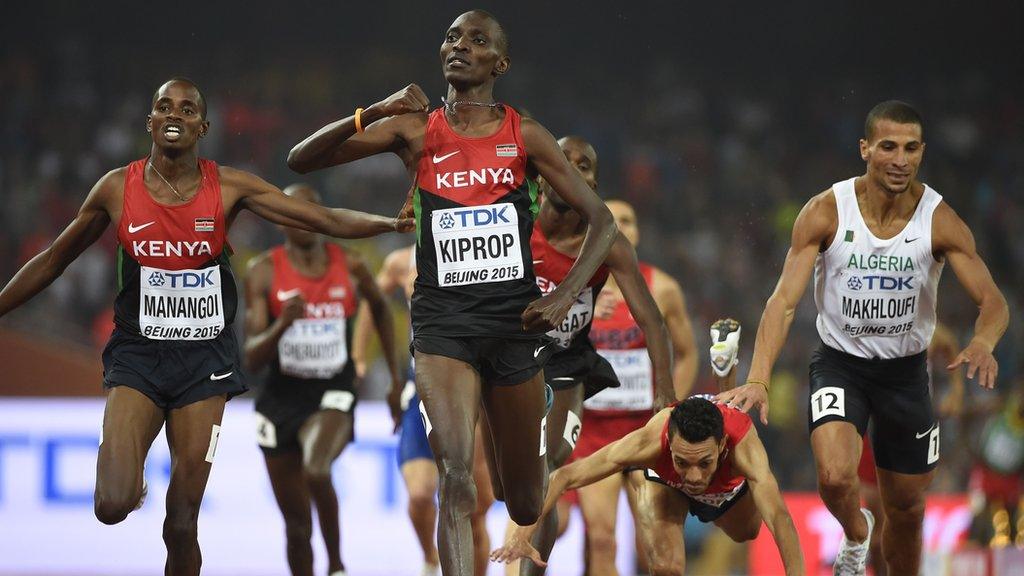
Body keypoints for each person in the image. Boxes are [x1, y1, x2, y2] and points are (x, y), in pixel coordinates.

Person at [0, 78, 408, 576]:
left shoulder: (229, 186)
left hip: (204, 364)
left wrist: (387, 224)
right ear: (149, 121)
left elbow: (316, 217)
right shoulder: (115, 188)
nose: (175, 113)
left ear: (203, 127)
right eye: (163, 106)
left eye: (188, 108)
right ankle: (132, 483)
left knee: (181, 522)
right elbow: (52, 260)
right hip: (138, 356)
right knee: (111, 504)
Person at [287, 10, 617, 574]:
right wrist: (376, 111)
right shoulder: (415, 130)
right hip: (442, 326)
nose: (460, 46)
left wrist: (563, 295)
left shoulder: (524, 134)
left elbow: (602, 221)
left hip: (513, 325)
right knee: (456, 476)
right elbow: (301, 160)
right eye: (451, 37)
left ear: (500, 62)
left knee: (526, 500)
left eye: (477, 40)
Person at [718, 100, 1010, 575]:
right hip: (841, 364)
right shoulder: (826, 211)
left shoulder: (938, 219)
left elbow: (994, 302)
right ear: (865, 149)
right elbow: (783, 302)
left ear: (922, 152)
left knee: (909, 510)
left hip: (905, 375)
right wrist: (759, 377)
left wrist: (982, 343)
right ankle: (856, 533)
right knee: (834, 478)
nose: (901, 159)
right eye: (889, 146)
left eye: (912, 148)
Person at [507, 136, 675, 574]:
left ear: (593, 186)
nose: (572, 170)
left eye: (584, 167)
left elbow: (655, 324)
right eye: (563, 160)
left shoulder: (611, 246)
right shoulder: (514, 225)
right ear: (543, 174)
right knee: (511, 490)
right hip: (510, 362)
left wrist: (666, 396)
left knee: (549, 469)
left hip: (566, 365)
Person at [243, 184, 403, 576]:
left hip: (333, 389)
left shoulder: (349, 264)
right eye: (296, 209)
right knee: (297, 529)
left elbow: (381, 312)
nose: (307, 217)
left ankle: (336, 565)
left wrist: (395, 381)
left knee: (316, 468)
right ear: (282, 219)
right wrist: (283, 324)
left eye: (314, 209)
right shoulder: (263, 271)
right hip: (280, 398)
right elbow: (251, 357)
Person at [491, 394, 805, 576]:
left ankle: (726, 372)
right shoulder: (648, 442)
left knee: (746, 532)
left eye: (703, 462)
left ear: (722, 445)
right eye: (682, 461)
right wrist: (522, 534)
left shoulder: (744, 447)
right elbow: (564, 477)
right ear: (668, 443)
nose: (693, 476)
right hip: (664, 485)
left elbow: (779, 518)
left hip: (725, 488)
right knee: (667, 567)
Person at [350, 245, 494, 576]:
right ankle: (430, 557)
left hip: (475, 392)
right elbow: (374, 300)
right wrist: (358, 356)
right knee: (419, 495)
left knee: (474, 510)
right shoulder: (402, 262)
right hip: (425, 390)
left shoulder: (481, 251)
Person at [572, 198, 698, 575]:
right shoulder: (573, 288)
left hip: (646, 432)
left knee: (654, 543)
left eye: (627, 220)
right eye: (610, 220)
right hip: (593, 434)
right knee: (601, 539)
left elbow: (688, 354)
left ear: (638, 232)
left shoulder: (662, 289)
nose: (620, 227)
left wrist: (672, 410)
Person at [857, 321, 965, 576]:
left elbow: (948, 342)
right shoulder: (866, 320)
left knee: (906, 513)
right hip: (872, 426)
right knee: (878, 516)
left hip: (912, 427)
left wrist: (957, 392)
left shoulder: (920, 323)